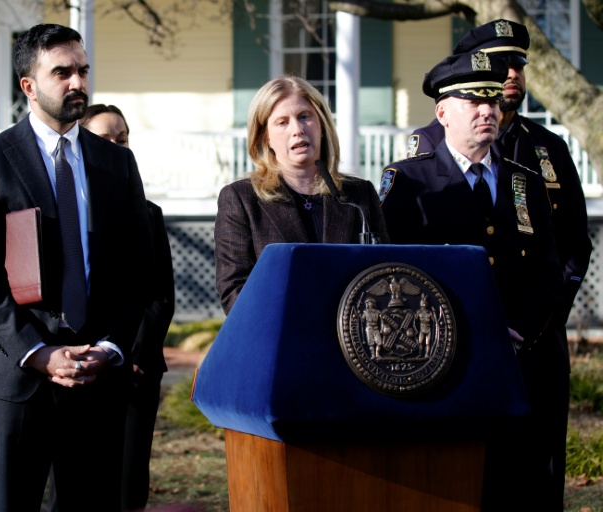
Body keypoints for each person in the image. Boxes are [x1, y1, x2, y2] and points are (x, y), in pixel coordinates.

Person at [0, 24, 152, 511]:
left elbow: (137, 268)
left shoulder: (116, 163)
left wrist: (109, 347)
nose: (77, 82)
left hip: (94, 375)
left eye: (82, 70)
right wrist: (36, 351)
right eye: (62, 72)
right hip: (15, 375)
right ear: (28, 85)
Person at [405, 19, 591, 509]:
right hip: (449, 347)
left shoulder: (544, 151)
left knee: (536, 473)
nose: (509, 75)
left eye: (517, 65)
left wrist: (532, 324)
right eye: (497, 66)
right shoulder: (424, 154)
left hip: (534, 340)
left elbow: (570, 248)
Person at [45, 104, 175, 511]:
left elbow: (159, 295)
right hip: (76, 363)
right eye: (105, 139)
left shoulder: (148, 214)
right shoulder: (64, 210)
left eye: (123, 139)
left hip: (133, 368)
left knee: (126, 482)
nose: (117, 147)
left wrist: (126, 353)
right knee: (72, 482)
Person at [214, 75, 389, 314]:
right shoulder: (241, 199)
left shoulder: (359, 195)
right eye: (282, 122)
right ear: (265, 137)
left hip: (350, 332)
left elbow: (383, 274)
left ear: (322, 125)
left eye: (305, 116)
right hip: (280, 331)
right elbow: (234, 291)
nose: (297, 130)